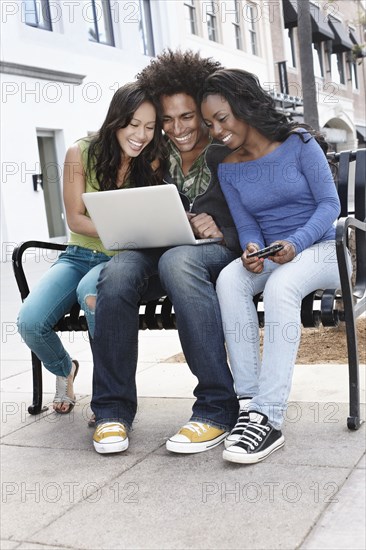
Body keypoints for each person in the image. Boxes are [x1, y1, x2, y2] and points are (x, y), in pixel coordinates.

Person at [91, 50, 241, 454]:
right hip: (162, 247)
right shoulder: (156, 155)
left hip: (217, 252)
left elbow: (266, 211)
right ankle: (111, 411)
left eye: (187, 116)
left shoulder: (231, 147)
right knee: (119, 271)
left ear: (204, 110)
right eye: (168, 119)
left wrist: (223, 228)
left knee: (180, 260)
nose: (178, 128)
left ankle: (216, 408)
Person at [200, 68, 346, 464]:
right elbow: (247, 222)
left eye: (222, 118)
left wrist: (296, 243)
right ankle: (250, 403)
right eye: (209, 123)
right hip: (273, 254)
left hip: (323, 250)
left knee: (282, 287)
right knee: (230, 279)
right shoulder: (228, 166)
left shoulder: (298, 144)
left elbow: (330, 206)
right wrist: (250, 247)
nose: (216, 130)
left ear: (245, 107)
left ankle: (270, 416)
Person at [17, 82, 165, 414]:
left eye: (150, 127)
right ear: (117, 119)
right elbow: (75, 219)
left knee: (93, 295)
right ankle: (64, 369)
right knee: (29, 321)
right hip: (78, 256)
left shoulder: (151, 161)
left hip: (117, 261)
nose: (141, 134)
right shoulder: (80, 152)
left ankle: (108, 397)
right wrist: (124, 228)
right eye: (134, 124)